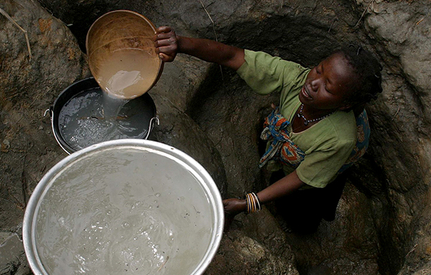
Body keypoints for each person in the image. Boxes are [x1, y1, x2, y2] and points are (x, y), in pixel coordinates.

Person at [155, 26, 382, 233]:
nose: (313, 83)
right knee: (281, 177)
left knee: (305, 212)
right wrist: (181, 44)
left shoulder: (339, 140)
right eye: (319, 70)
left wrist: (249, 202)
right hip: (305, 147)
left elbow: (302, 177)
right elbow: (233, 56)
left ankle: (304, 228)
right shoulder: (296, 78)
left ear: (343, 105)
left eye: (328, 88)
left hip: (331, 163)